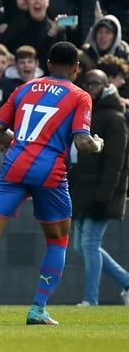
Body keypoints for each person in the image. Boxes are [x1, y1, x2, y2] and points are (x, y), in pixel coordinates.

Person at [0, 41, 106, 326]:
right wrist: (97, 144)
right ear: (76, 68)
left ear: (47, 64)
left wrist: (20, 141)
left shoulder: (23, 89)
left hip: (14, 167)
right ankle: (37, 309)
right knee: (58, 241)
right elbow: (82, 142)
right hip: (49, 172)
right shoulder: (80, 96)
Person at [68, 69, 129, 306]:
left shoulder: (114, 118)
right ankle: (126, 281)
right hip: (84, 191)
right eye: (87, 83)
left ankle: (90, 300)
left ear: (105, 85)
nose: (89, 87)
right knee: (81, 246)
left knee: (90, 244)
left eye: (94, 83)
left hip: (102, 193)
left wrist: (104, 195)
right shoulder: (87, 113)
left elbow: (116, 163)